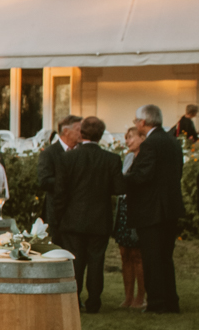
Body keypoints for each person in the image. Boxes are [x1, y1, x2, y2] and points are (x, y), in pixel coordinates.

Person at [52, 116, 122, 314]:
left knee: (76, 261)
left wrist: (58, 218)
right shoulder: (111, 159)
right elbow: (119, 187)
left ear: (81, 133)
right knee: (96, 261)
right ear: (100, 136)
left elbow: (60, 192)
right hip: (100, 218)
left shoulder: (68, 158)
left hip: (73, 219)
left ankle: (74, 298)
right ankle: (94, 301)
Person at [124, 103, 184, 314]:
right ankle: (170, 300)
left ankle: (157, 303)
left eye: (135, 121)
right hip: (171, 207)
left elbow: (142, 176)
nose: (135, 125)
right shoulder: (173, 141)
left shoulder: (150, 144)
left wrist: (122, 181)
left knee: (152, 257)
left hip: (151, 210)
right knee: (165, 257)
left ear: (143, 122)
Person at [116, 125, 146, 310]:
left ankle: (140, 296)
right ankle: (127, 296)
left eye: (130, 137)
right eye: (126, 138)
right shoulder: (128, 157)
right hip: (123, 207)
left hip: (138, 208)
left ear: (142, 137)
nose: (127, 141)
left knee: (137, 254)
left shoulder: (145, 159)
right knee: (124, 253)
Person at [36, 114, 80, 224]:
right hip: (58, 213)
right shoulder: (49, 153)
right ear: (66, 131)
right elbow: (44, 181)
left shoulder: (84, 152)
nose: (82, 133)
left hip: (81, 214)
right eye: (78, 130)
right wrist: (72, 182)